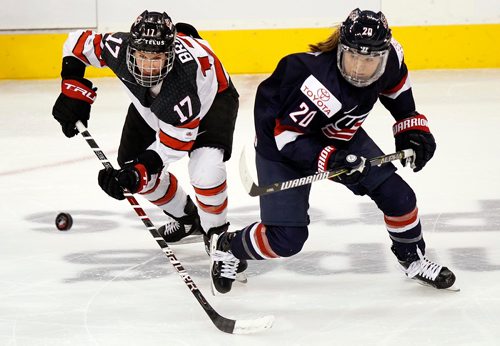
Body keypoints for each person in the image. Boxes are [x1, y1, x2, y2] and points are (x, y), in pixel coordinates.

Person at [209, 8, 456, 294]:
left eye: (370, 60)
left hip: (339, 133)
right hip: (282, 148)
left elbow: (397, 88)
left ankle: (413, 260)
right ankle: (229, 246)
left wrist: (410, 126)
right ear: (340, 49)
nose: (360, 68)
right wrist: (332, 159)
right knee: (286, 239)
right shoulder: (317, 84)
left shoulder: (390, 58)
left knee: (399, 197)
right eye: (354, 57)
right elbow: (287, 138)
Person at [52, 10, 239, 245]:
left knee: (206, 172)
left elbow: (176, 144)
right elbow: (77, 44)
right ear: (131, 50)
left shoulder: (182, 86)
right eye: (142, 56)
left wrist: (140, 171)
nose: (149, 67)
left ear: (169, 55)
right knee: (131, 165)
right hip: (154, 105)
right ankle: (187, 219)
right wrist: (73, 90)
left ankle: (217, 237)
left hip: (213, 101)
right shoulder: (119, 47)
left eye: (156, 59)